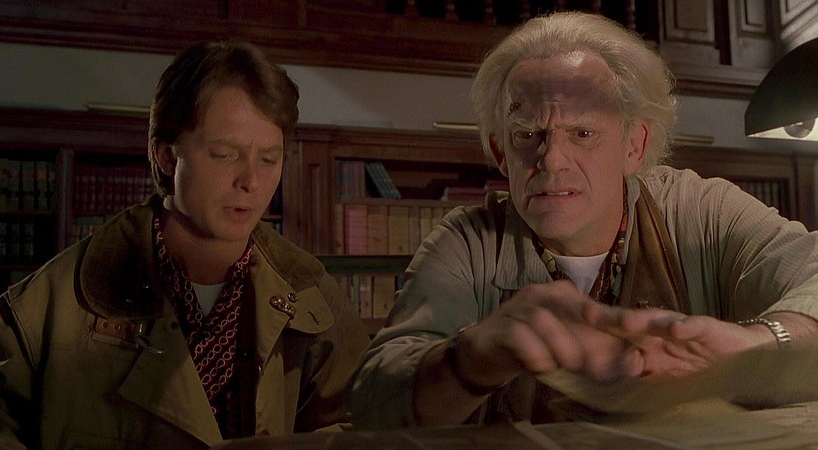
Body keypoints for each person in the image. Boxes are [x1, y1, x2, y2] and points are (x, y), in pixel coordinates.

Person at [348, 11, 818, 429]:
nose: (551, 159)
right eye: (527, 134)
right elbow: (372, 402)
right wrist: (470, 359)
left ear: (634, 146)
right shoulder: (468, 242)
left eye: (583, 132)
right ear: (500, 152)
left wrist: (758, 341)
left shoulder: (702, 210)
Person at [0, 40, 369, 448]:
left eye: (269, 159)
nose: (251, 181)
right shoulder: (46, 307)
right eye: (224, 154)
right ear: (168, 157)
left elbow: (358, 428)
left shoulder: (314, 297)